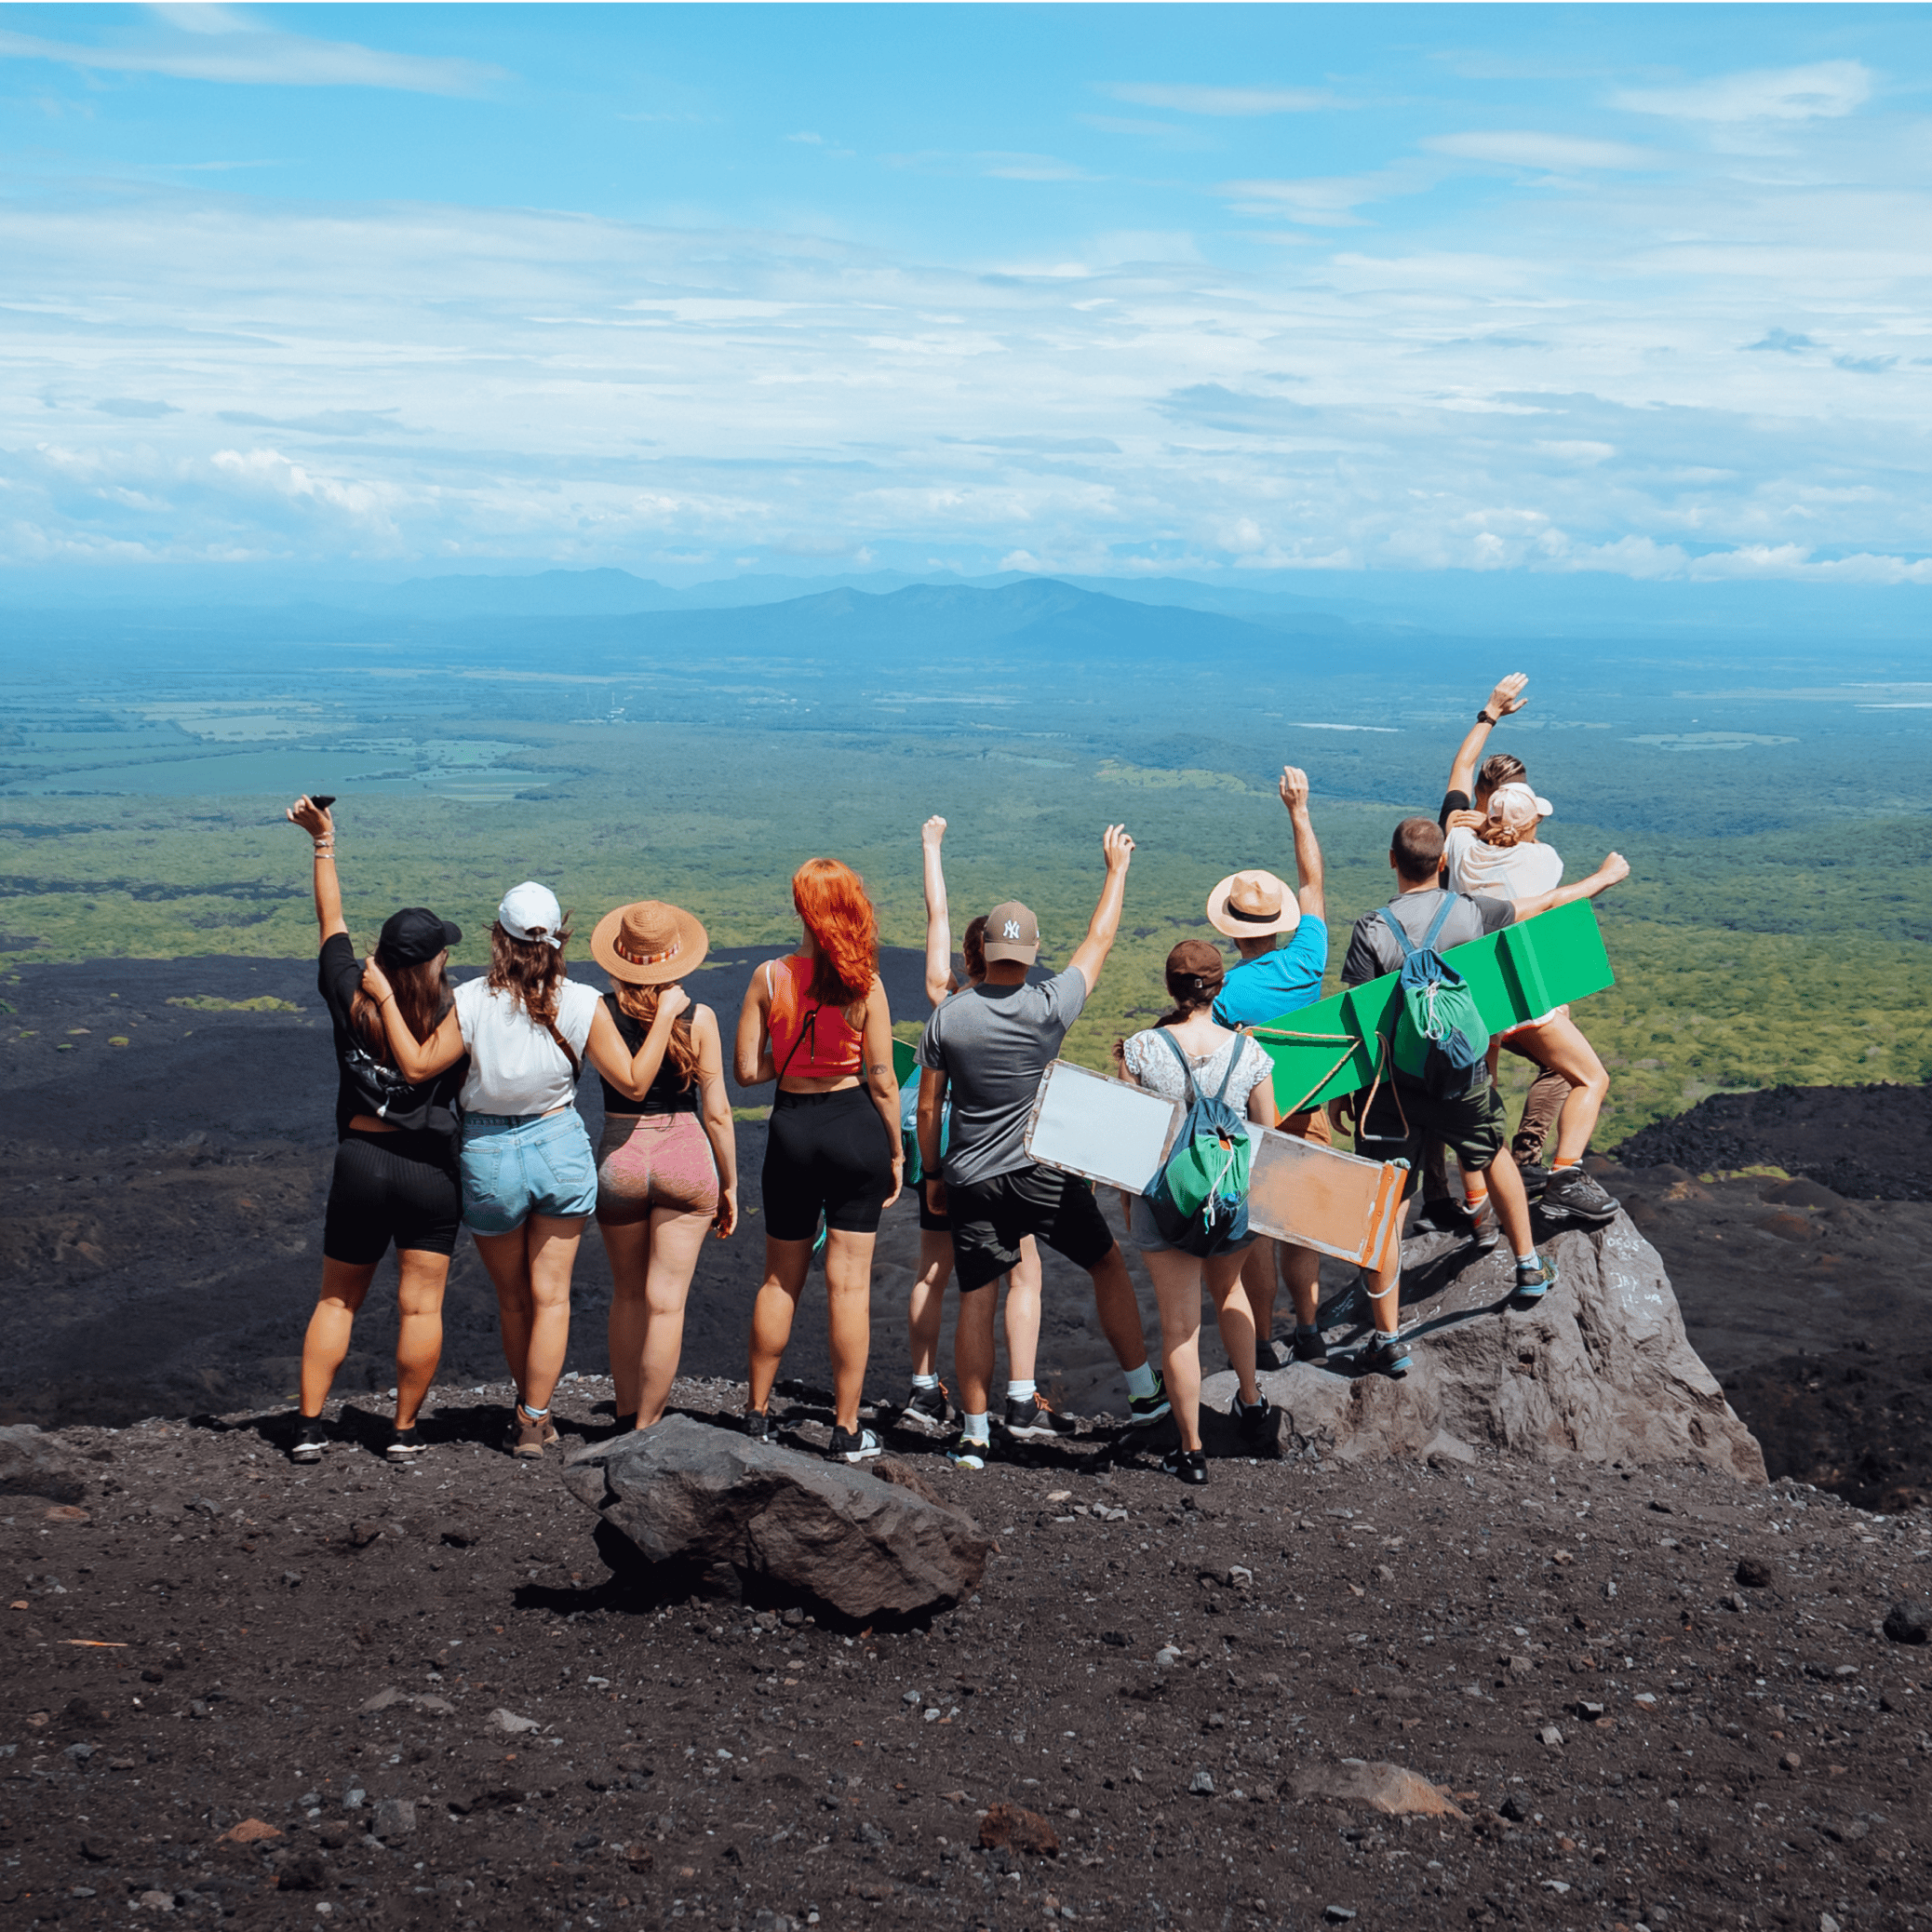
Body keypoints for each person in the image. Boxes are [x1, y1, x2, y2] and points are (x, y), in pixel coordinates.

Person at [362, 880, 669, 1459]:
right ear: (561, 938)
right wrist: (666, 1016)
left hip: (487, 1153)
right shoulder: (581, 1002)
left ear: (498, 937)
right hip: (559, 1142)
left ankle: (528, 1408)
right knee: (553, 1297)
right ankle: (534, 1419)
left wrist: (382, 996)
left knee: (514, 1300)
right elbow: (631, 1081)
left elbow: (417, 1064)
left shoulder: (472, 1000)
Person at [1337, 817, 1630, 1374]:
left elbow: (1361, 1022)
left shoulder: (1371, 928)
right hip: (1462, 1075)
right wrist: (1602, 879)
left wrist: (1343, 1098)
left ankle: (1389, 1338)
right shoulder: (1473, 911)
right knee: (1492, 1153)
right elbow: (1546, 903)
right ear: (1442, 863)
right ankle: (1526, 1266)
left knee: (1389, 1203)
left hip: (1396, 1089)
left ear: (1392, 862)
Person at [916, 825, 1167, 1470]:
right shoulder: (1050, 1006)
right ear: (1029, 955)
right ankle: (1144, 1394)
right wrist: (1116, 871)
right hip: (1041, 1168)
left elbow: (927, 1105)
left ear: (985, 949)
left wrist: (933, 1174)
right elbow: (1100, 940)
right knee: (1107, 1264)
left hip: (970, 1173)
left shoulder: (949, 1016)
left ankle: (974, 1432)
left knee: (979, 1295)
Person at [282, 796, 469, 1466]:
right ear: (430, 963)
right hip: (429, 1171)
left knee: (337, 1298)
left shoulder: (349, 993)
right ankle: (403, 1433)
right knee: (420, 1309)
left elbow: (330, 919)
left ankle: (307, 1429)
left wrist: (323, 841)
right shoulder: (456, 1009)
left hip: (362, 1160)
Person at [734, 858, 903, 1463]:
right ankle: (846, 1428)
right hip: (853, 1126)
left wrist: (796, 1054)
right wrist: (897, 1147)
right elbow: (881, 1078)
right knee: (849, 1287)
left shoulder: (768, 976)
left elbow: (748, 1071)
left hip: (791, 1131)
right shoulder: (867, 982)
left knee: (780, 1278)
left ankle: (755, 1415)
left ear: (801, 909)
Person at [904, 817, 1065, 1442]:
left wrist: (932, 848)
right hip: (999, 1152)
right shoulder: (1023, 1011)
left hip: (940, 1147)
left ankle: (923, 1389)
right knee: (1022, 1271)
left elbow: (935, 915)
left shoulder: (944, 1004)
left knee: (931, 1270)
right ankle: (1020, 1402)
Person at [1116, 942, 1280, 1485]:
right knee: (1231, 1293)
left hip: (1163, 1202)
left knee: (1180, 1324)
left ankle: (1191, 1450)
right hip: (1229, 1201)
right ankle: (1252, 1404)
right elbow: (1269, 1132)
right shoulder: (1250, 1055)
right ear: (1220, 987)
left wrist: (1128, 1206)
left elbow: (1130, 1138)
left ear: (1170, 987)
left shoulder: (1141, 1049)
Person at [590, 899, 739, 1432]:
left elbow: (623, 1088)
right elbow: (718, 1113)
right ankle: (647, 1429)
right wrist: (731, 1184)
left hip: (620, 1158)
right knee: (666, 1305)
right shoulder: (699, 1018)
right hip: (686, 1156)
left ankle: (626, 1413)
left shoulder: (598, 1013)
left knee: (627, 1295)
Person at [1443, 783, 1619, 1226]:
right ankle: (1565, 1178)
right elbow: (1555, 898)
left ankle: (1477, 1200)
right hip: (1515, 991)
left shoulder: (1460, 847)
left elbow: (1460, 811)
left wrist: (1483, 823)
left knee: (1482, 1100)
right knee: (1591, 1078)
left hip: (1468, 997)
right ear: (1531, 825)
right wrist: (1604, 876)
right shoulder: (1543, 860)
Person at [1207, 764, 1331, 1369]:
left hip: (1250, 1126)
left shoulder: (1223, 994)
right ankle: (1308, 1326)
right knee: (1300, 1225)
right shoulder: (1308, 958)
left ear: (1231, 931)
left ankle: (1260, 1341)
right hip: (1309, 1112)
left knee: (1253, 1226)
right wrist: (1298, 811)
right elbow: (1312, 881)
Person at [1435, 673, 1566, 1192]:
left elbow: (1460, 768)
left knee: (1475, 1086)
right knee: (1567, 1067)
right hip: (1512, 982)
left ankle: (1474, 1187)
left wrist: (1489, 710)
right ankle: (1527, 1162)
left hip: (1456, 976)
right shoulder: (1538, 859)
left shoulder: (1457, 836)